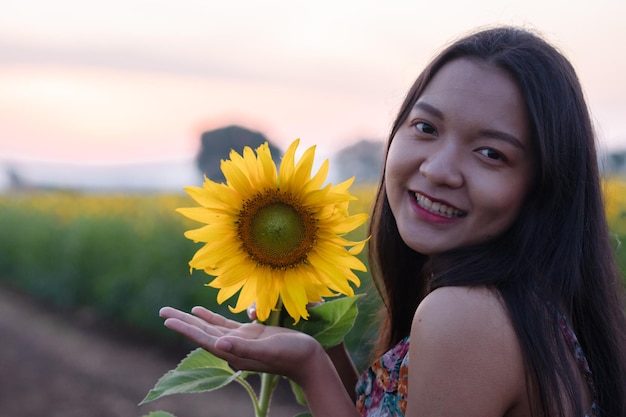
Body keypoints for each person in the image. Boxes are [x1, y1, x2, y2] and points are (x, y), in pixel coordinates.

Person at [159, 26, 626, 417]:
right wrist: (324, 348)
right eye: (426, 127)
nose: (438, 169)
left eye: (491, 153)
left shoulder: (466, 318)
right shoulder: (530, 309)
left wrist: (310, 368)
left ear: (546, 184)